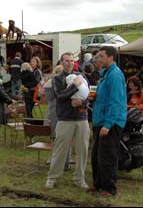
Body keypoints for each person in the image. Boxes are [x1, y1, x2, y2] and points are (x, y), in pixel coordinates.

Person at [45, 52, 90, 190]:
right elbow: (60, 96)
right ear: (61, 62)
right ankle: (52, 178)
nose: (70, 63)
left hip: (82, 118)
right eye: (67, 61)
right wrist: (74, 86)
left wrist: (81, 103)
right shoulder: (57, 78)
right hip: (65, 119)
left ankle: (79, 178)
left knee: (82, 150)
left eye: (72, 60)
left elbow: (88, 95)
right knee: (60, 149)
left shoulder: (81, 76)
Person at [91, 46, 127, 197]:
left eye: (101, 56)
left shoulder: (115, 75)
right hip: (100, 120)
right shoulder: (105, 74)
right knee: (97, 156)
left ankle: (109, 188)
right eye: (98, 56)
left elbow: (116, 102)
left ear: (111, 57)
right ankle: (98, 184)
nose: (99, 59)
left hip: (110, 123)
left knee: (107, 157)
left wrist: (108, 124)